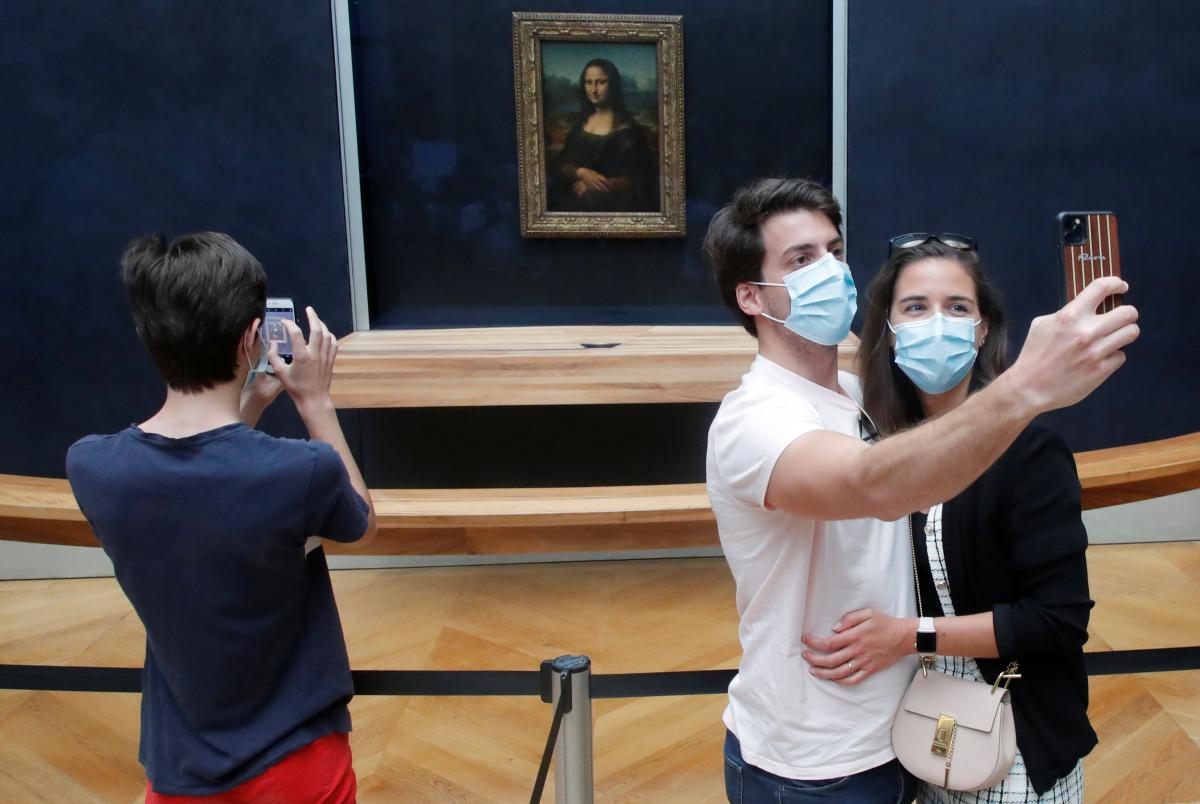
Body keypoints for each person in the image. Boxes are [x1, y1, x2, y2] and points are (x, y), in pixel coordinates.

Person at [702, 178, 1136, 803]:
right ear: (751, 295)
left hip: (912, 735)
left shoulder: (862, 402)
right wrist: (1027, 386)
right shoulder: (755, 419)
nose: (828, 272)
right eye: (800, 260)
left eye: (834, 252)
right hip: (814, 764)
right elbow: (870, 485)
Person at [66, 232, 377, 802]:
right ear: (253, 338)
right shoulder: (300, 470)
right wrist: (315, 402)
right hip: (297, 759)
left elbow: (203, 481)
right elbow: (359, 523)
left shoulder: (93, 466)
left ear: (148, 334)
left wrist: (249, 405)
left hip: (181, 766)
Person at [803, 237, 1097, 801]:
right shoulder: (880, 453)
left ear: (982, 329)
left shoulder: (1029, 452)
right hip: (922, 730)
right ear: (890, 330)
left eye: (957, 307)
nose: (936, 322)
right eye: (915, 307)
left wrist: (907, 637)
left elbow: (1057, 620)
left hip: (1014, 738)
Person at [547, 58, 656, 212]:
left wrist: (596, 185)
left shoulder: (628, 133)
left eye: (601, 82)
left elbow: (639, 179)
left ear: (613, 85)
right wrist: (582, 173)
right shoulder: (580, 125)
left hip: (613, 207)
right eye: (588, 82)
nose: (593, 89)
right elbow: (561, 163)